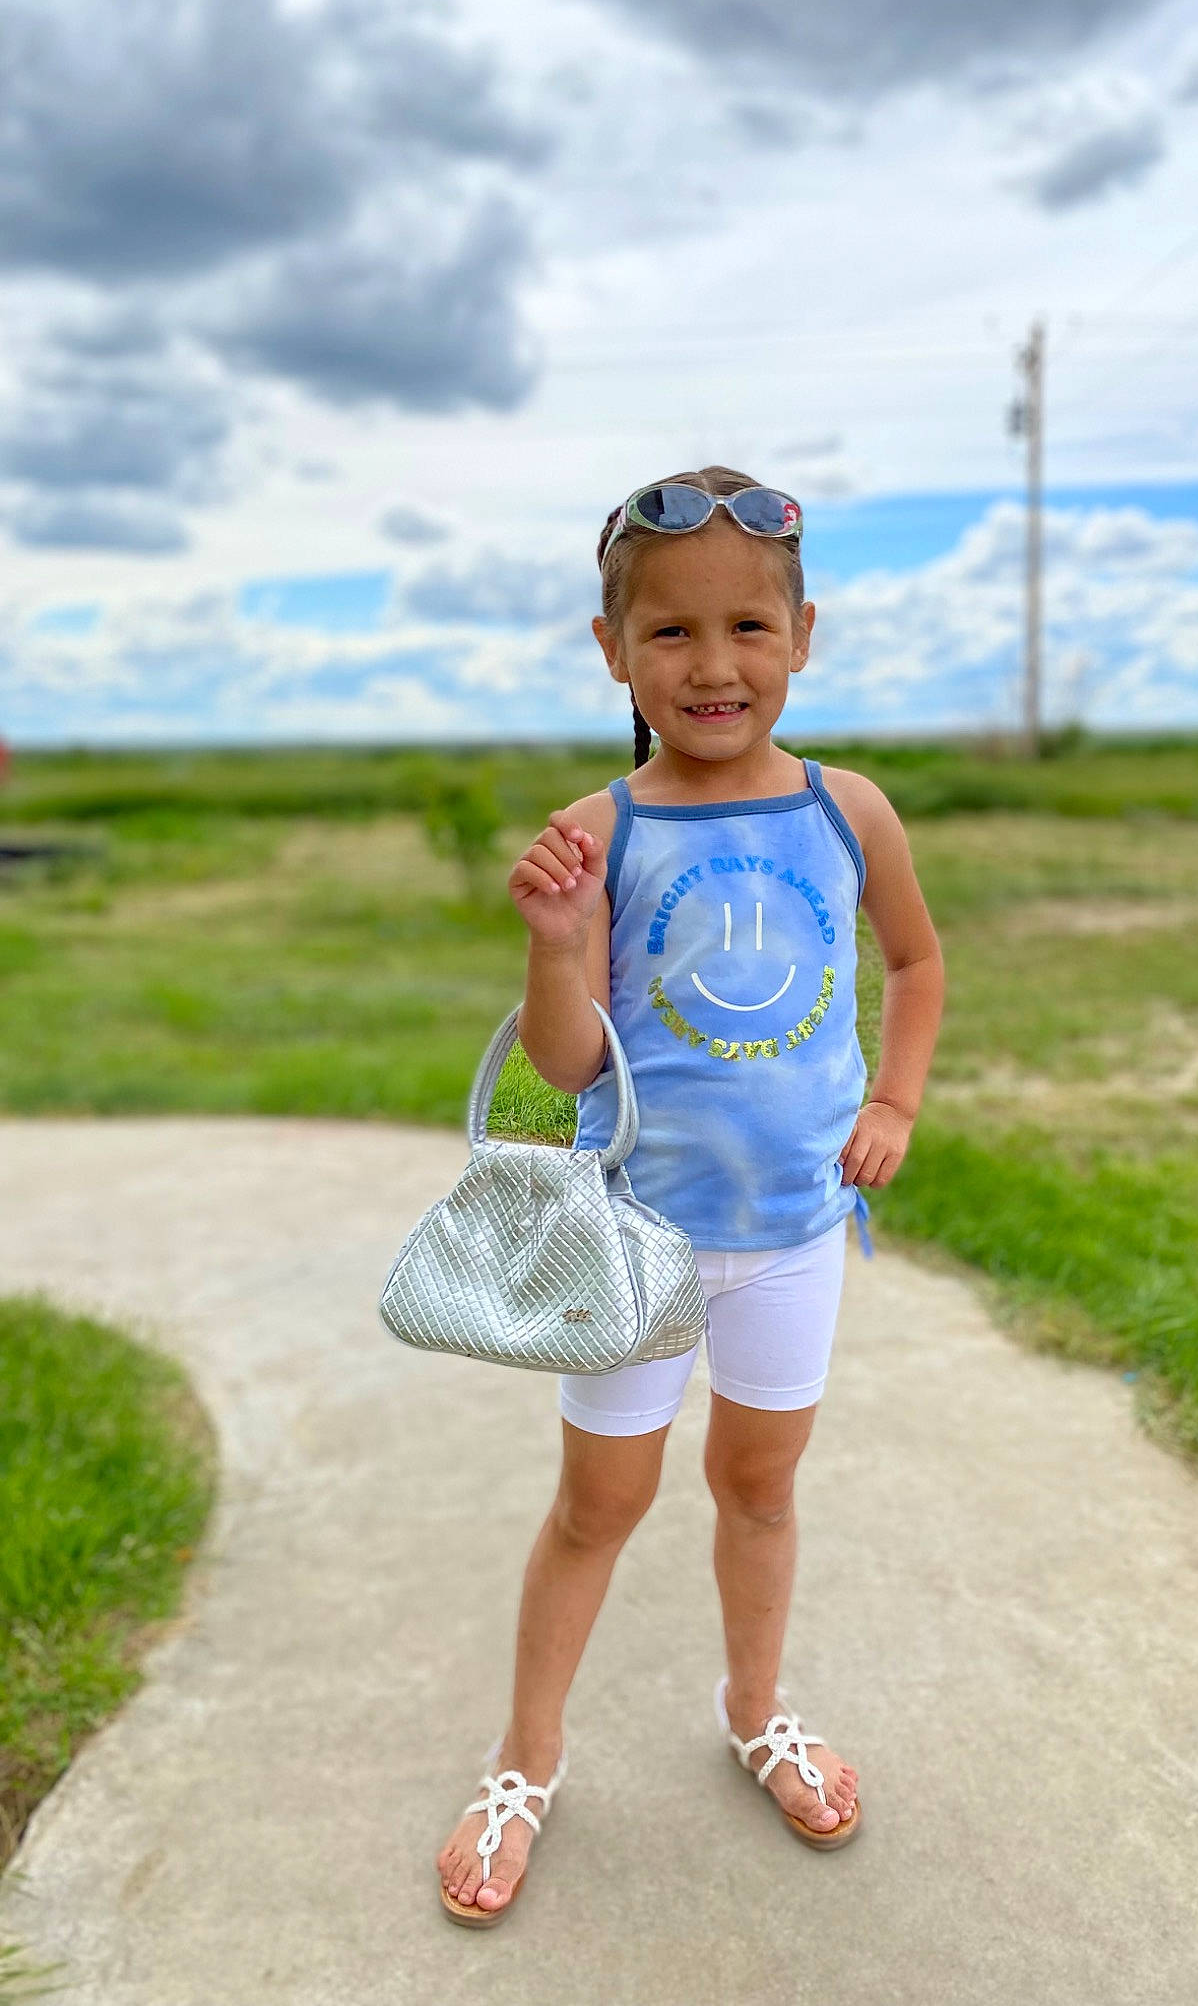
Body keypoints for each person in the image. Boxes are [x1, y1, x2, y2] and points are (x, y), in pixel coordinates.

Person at [436, 465, 945, 1924]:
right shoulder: (599, 829)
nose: (714, 666)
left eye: (747, 628)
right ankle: (525, 1758)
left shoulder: (851, 812)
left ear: (802, 634)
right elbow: (563, 1059)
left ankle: (755, 1708)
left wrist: (896, 1099)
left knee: (758, 1486)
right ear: (614, 651)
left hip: (793, 1239)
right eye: (670, 634)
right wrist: (551, 941)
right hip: (636, 1251)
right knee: (599, 1508)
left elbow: (914, 965)